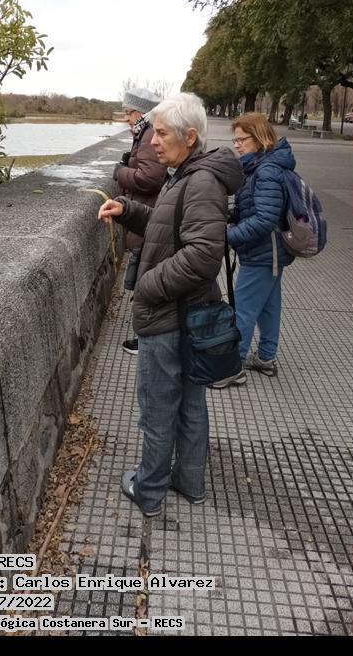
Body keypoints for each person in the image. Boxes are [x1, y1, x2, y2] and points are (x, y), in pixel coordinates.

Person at [98, 93, 243, 516]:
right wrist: (127, 209)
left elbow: (202, 255)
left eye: (162, 134)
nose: (153, 141)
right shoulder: (187, 174)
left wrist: (147, 286)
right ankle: (189, 482)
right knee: (190, 405)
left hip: (169, 317)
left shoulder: (200, 182)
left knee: (159, 409)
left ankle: (149, 490)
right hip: (186, 314)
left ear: (189, 136)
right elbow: (169, 227)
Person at [223, 112, 296, 385]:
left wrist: (229, 235)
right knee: (268, 306)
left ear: (259, 138)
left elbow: (265, 219)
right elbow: (260, 209)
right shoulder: (264, 165)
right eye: (235, 140)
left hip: (263, 252)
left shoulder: (265, 171)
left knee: (243, 307)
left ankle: (232, 367)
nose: (237, 145)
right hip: (272, 252)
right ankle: (265, 357)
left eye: (241, 139)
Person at [113, 88, 167, 355]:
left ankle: (145, 339)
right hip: (149, 212)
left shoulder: (147, 135)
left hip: (148, 213)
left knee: (146, 279)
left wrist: (121, 172)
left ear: (141, 112)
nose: (126, 118)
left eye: (128, 112)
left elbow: (150, 178)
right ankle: (145, 336)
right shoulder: (145, 132)